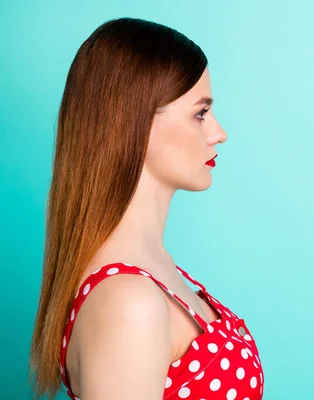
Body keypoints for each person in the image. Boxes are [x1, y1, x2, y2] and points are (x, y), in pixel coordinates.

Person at [29, 17, 264, 400]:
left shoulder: (156, 272)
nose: (218, 132)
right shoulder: (128, 302)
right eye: (200, 113)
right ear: (132, 121)